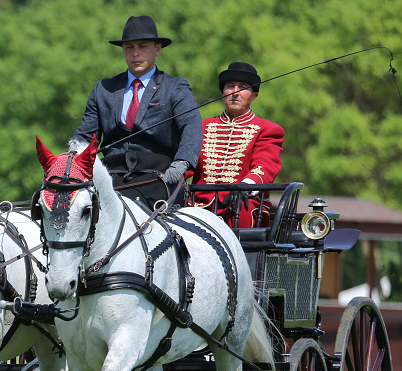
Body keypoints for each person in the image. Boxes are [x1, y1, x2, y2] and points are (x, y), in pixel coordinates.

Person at [70, 15, 202, 208]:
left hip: (160, 178)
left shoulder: (175, 87)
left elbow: (191, 126)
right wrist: (71, 159)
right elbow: (85, 135)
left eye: (142, 46)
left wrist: (182, 162)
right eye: (129, 48)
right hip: (111, 177)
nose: (135, 53)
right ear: (123, 51)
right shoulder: (104, 89)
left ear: (157, 49)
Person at [188, 62, 284, 228]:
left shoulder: (267, 129)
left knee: (242, 207)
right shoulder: (202, 126)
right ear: (223, 93)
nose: (235, 92)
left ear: (254, 96)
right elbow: (186, 161)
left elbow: (265, 165)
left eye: (243, 87)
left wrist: (245, 187)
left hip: (240, 206)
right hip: (199, 205)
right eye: (230, 86)